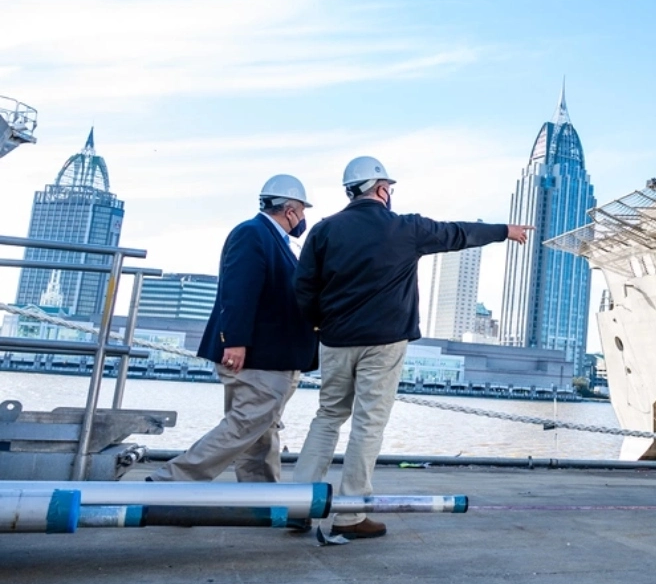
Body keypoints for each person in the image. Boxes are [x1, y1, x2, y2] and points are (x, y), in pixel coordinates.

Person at [290, 156, 529, 539]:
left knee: (328, 417)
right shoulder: (406, 228)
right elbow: (457, 233)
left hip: (335, 341)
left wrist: (322, 325)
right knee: (368, 424)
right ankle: (350, 517)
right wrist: (504, 231)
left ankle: (297, 506)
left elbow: (303, 288)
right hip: (384, 343)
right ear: (381, 189)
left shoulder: (323, 230)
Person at [148, 175, 318, 484]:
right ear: (290, 210)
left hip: (265, 356)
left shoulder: (270, 238)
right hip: (258, 357)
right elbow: (239, 290)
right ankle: (171, 482)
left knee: (260, 429)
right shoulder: (253, 234)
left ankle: (260, 497)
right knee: (245, 425)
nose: (304, 218)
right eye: (303, 211)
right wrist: (235, 341)